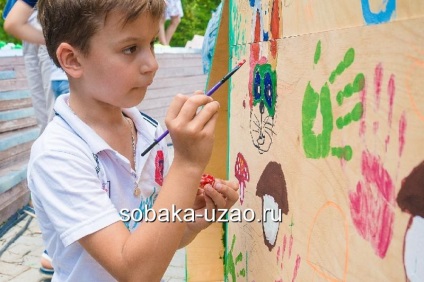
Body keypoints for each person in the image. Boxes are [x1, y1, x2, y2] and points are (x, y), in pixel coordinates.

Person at [28, 0, 239, 281]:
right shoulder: (58, 154)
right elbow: (136, 272)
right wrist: (187, 164)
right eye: (131, 49)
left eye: (151, 44)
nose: (152, 64)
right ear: (73, 59)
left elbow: (150, 241)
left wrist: (189, 225)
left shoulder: (148, 133)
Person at [3, 0, 68, 278]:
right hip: (49, 47)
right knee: (61, 143)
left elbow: (13, 20)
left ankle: (55, 241)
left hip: (45, 45)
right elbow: (13, 21)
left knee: (53, 139)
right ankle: (57, 243)